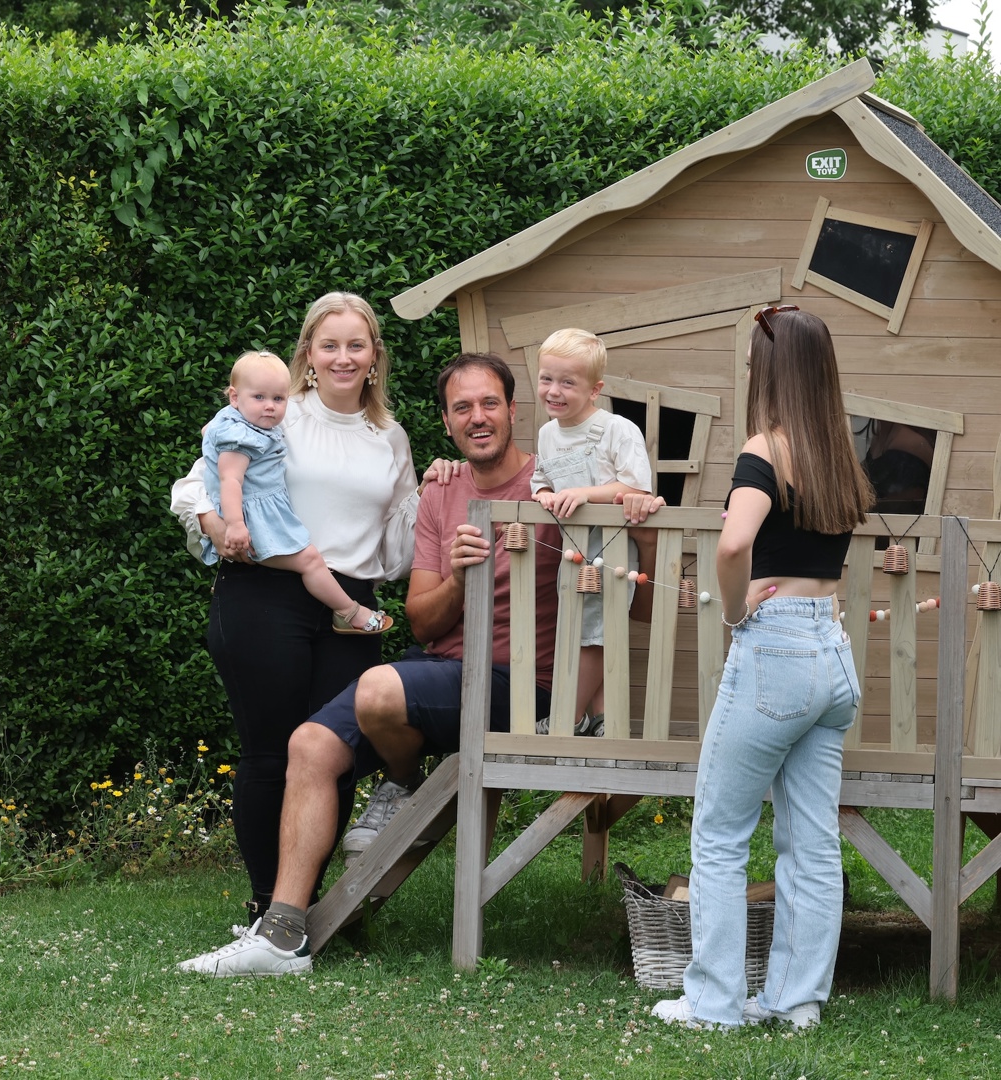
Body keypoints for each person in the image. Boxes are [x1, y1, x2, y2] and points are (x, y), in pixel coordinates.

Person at [176, 351, 667, 977]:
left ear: (513, 410)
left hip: (528, 690)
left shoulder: (558, 487)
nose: (478, 417)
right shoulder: (441, 492)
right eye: (462, 407)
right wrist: (463, 579)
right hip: (443, 673)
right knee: (309, 744)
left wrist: (640, 524)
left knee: (379, 688)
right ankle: (281, 932)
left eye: (490, 403)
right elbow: (423, 623)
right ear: (446, 421)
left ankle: (399, 781)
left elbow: (640, 603)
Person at [650, 305, 874, 1031]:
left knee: (719, 833)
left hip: (774, 650)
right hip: (831, 656)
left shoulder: (764, 449)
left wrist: (735, 607)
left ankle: (713, 1004)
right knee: (809, 844)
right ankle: (796, 1000)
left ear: (768, 370)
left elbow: (731, 541)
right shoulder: (840, 450)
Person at [170, 292, 419, 925]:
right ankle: (268, 908)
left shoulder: (389, 437)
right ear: (307, 351)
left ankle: (303, 903)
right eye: (328, 344)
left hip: (349, 605)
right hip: (265, 593)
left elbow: (400, 540)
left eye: (355, 345)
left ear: (374, 357)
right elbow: (199, 479)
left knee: (333, 757)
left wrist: (444, 487)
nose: (342, 357)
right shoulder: (276, 412)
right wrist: (218, 525)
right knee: (271, 754)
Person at [202, 349, 392, 634]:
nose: (270, 407)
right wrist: (236, 525)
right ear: (234, 397)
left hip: (259, 519)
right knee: (310, 561)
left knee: (308, 561)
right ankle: (349, 612)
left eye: (278, 399)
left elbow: (208, 433)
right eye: (259, 398)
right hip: (253, 525)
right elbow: (230, 481)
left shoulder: (233, 422)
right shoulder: (240, 437)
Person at [530, 328, 652, 736]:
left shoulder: (618, 430)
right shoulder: (548, 434)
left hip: (613, 551)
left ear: (595, 389)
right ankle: (600, 718)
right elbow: (540, 481)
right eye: (547, 378)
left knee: (597, 636)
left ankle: (570, 713)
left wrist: (585, 493)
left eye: (568, 382)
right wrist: (546, 494)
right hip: (572, 554)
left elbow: (636, 487)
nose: (554, 390)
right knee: (581, 632)